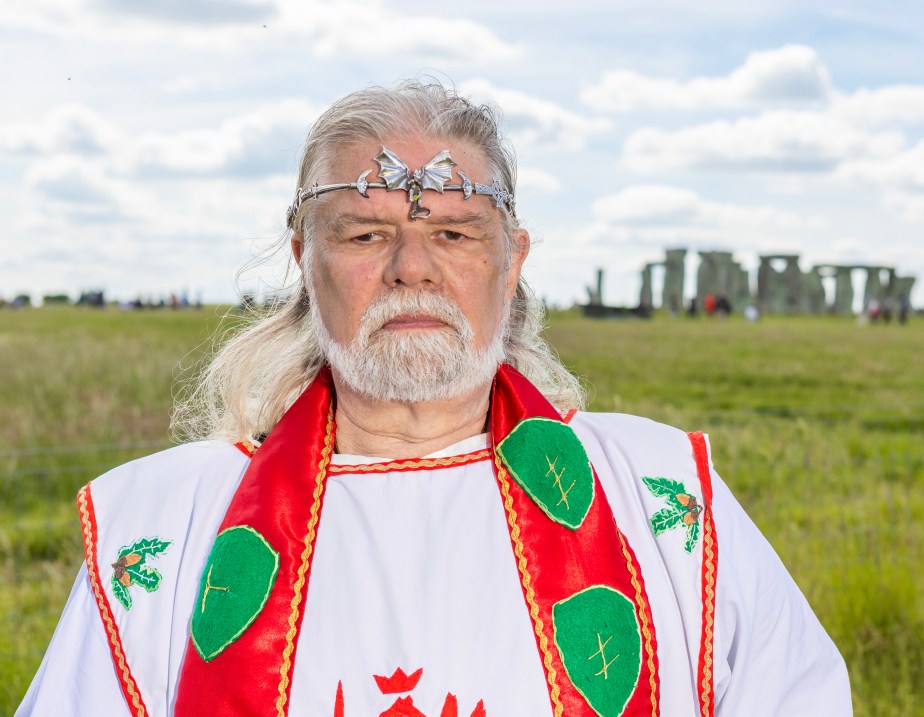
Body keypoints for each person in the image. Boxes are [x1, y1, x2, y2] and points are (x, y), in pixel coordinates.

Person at [17, 81, 852, 717]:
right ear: (304, 256)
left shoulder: (666, 499)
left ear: (512, 260)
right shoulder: (164, 521)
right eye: (366, 233)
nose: (411, 266)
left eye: (454, 233)